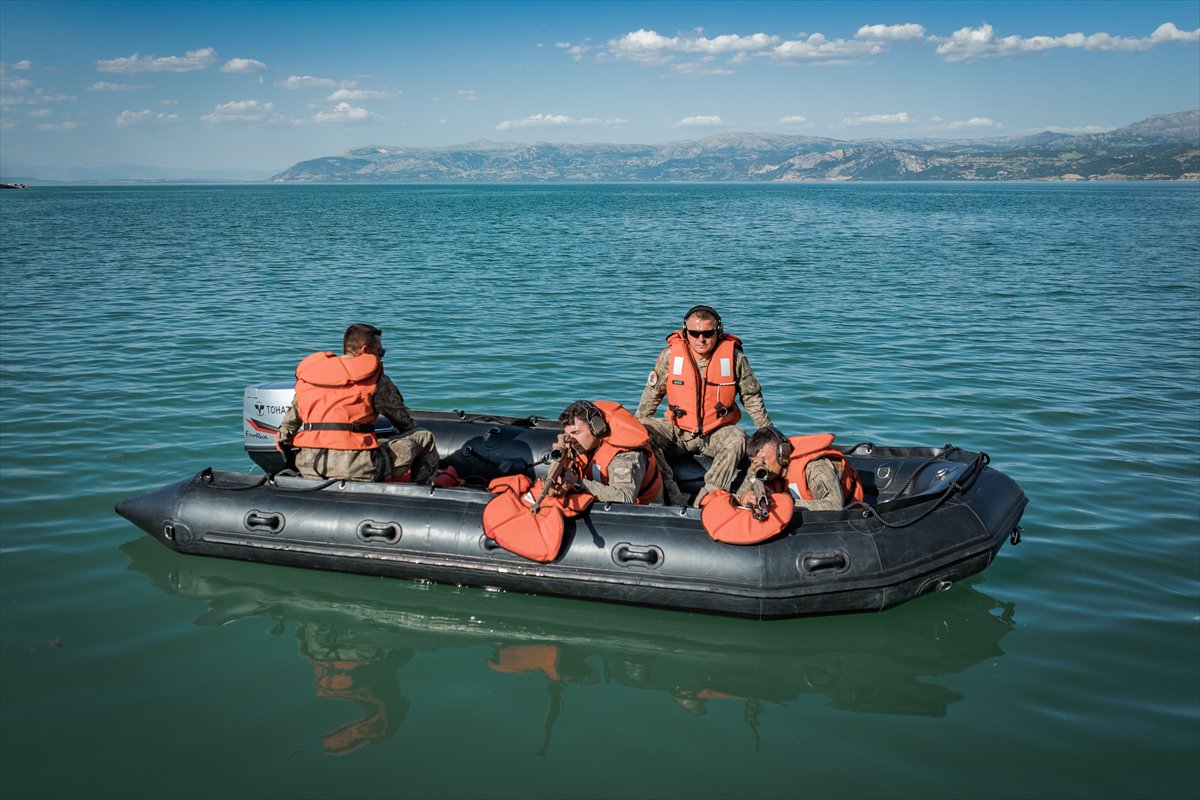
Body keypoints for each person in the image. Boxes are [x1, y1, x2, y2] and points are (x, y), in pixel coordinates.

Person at [636, 305, 772, 506]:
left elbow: (751, 396)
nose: (701, 339)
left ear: (717, 331)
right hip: (678, 432)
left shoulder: (734, 357)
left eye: (707, 333)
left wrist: (767, 432)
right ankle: (671, 495)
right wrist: (635, 425)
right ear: (685, 332)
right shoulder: (670, 356)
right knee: (643, 432)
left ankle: (707, 498)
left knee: (738, 437)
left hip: (716, 433)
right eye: (695, 333)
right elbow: (652, 395)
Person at [276, 323, 439, 483]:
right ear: (365, 351)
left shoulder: (312, 377)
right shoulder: (376, 380)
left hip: (309, 465)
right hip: (358, 468)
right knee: (425, 438)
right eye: (380, 351)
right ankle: (422, 494)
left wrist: (284, 434)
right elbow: (405, 423)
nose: (381, 355)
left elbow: (288, 425)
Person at [557, 400, 663, 505]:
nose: (571, 440)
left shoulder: (625, 455)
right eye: (568, 434)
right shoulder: (584, 445)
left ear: (596, 428)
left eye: (576, 432)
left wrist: (577, 483)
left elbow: (625, 497)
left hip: (642, 510)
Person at [734, 427, 863, 512]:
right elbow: (739, 496)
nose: (761, 465)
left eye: (765, 459)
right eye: (755, 461)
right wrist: (743, 498)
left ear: (782, 453)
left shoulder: (815, 467)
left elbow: (834, 506)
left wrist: (778, 503)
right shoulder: (760, 471)